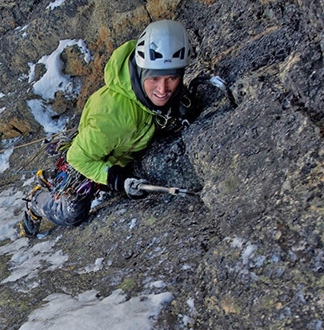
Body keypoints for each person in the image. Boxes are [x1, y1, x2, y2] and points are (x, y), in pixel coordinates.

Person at [20, 19, 194, 237]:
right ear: (141, 71)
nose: (163, 89)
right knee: (72, 213)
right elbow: (77, 157)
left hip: (117, 146)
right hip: (91, 155)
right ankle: (37, 200)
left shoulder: (151, 91)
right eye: (155, 78)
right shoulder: (112, 119)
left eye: (172, 78)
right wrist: (115, 179)